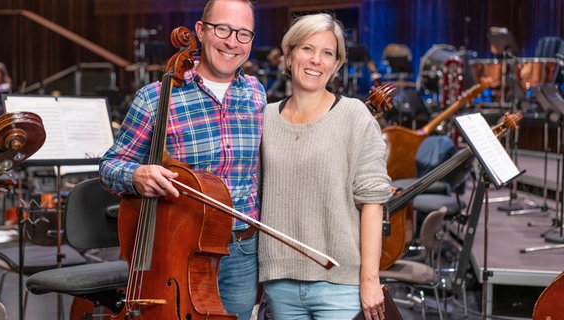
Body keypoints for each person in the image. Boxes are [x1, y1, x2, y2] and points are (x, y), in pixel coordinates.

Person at [98, 1, 265, 319]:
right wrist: (136, 176)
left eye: (243, 34)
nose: (232, 42)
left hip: (242, 249)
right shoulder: (155, 97)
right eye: (223, 29)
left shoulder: (257, 94)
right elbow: (109, 166)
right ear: (201, 31)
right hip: (178, 251)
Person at [258, 13, 393, 320]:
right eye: (307, 49)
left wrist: (370, 280)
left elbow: (373, 202)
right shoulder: (264, 117)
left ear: (336, 65)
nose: (316, 60)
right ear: (289, 56)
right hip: (279, 283)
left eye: (327, 53)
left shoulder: (355, 115)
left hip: (341, 287)